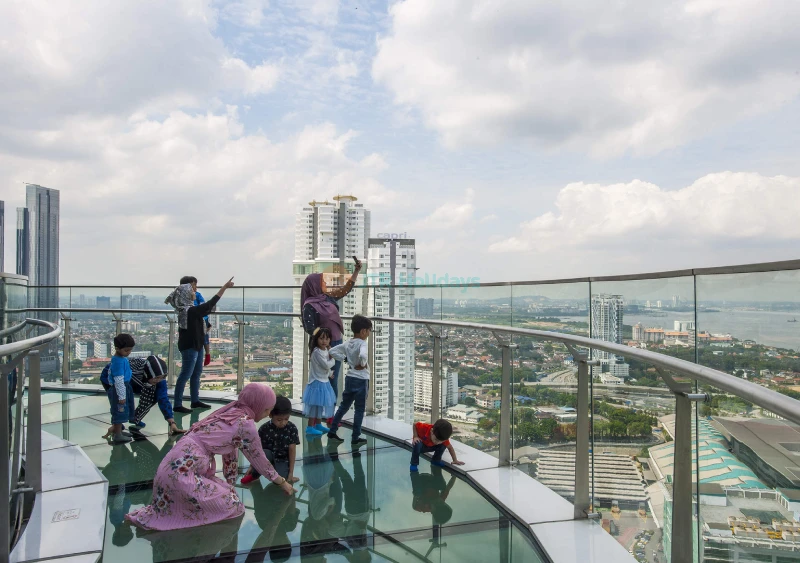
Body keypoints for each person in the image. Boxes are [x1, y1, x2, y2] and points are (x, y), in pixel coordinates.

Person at [126, 384, 296, 531]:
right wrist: (282, 482)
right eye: (267, 409)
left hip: (168, 471)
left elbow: (230, 453)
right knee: (234, 506)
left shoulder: (231, 412)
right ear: (257, 405)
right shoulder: (246, 424)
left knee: (228, 493)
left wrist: (230, 485)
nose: (267, 414)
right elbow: (259, 460)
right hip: (181, 477)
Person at [300, 259, 362, 415]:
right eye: (321, 282)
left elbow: (345, 289)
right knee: (322, 379)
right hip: (321, 347)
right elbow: (309, 328)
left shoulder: (328, 298)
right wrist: (324, 342)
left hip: (336, 343)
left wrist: (356, 271)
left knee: (333, 379)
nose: (324, 284)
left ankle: (330, 414)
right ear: (313, 285)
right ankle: (318, 415)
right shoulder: (309, 305)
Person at [166, 277, 234, 414]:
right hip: (191, 346)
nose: (194, 292)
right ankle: (177, 404)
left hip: (196, 344)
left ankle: (195, 400)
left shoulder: (186, 309)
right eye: (191, 290)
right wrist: (224, 287)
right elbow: (210, 305)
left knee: (196, 373)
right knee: (185, 374)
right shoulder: (190, 311)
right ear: (185, 294)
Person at [102, 355, 186, 437]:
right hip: (113, 379)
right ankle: (117, 428)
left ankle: (135, 418)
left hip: (139, 382)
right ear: (148, 374)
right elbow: (119, 398)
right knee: (121, 403)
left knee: (155, 394)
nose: (158, 380)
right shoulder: (130, 372)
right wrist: (117, 423)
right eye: (156, 378)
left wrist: (172, 422)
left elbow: (163, 398)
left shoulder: (159, 378)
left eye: (161, 377)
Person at [326, 315, 372, 448]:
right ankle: (355, 437)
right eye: (368, 330)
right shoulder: (362, 343)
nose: (369, 333)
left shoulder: (348, 343)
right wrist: (363, 364)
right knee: (359, 409)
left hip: (350, 378)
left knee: (343, 406)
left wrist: (345, 359)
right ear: (363, 331)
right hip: (362, 380)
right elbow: (363, 355)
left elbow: (333, 351)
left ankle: (332, 430)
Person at [240, 395, 300, 485]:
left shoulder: (292, 428)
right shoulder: (264, 429)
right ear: (270, 415)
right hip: (267, 457)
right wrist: (252, 467)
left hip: (282, 460)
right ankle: (255, 475)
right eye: (279, 420)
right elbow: (256, 450)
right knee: (264, 452)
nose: (283, 423)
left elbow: (292, 450)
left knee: (280, 481)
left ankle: (280, 473)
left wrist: (291, 473)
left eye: (286, 419)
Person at [303, 327, 337, 436]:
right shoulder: (317, 352)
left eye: (327, 339)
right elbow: (326, 364)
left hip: (324, 381)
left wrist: (329, 374)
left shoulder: (326, 350)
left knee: (320, 405)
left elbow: (324, 368)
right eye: (322, 338)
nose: (324, 341)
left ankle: (318, 424)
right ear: (316, 339)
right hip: (316, 382)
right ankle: (309, 426)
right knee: (314, 406)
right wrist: (333, 359)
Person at [107, 333, 136, 444]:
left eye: (130, 350)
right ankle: (117, 434)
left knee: (123, 410)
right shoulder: (118, 361)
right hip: (119, 389)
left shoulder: (121, 358)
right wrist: (122, 395)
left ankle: (119, 432)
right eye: (126, 350)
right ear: (117, 349)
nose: (128, 353)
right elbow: (118, 379)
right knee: (119, 411)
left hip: (124, 387)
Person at [181, 275, 213, 367]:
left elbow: (203, 306)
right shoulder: (182, 298)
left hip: (201, 318)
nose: (195, 287)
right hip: (191, 321)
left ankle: (207, 353)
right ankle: (206, 354)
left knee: (205, 336)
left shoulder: (198, 295)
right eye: (193, 285)